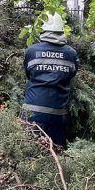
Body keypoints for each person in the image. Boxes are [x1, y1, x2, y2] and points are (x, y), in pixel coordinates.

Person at [20, 13, 78, 149]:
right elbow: (72, 75)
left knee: (28, 152)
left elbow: (28, 74)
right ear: (62, 31)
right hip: (59, 115)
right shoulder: (71, 54)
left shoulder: (32, 51)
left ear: (43, 30)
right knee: (55, 152)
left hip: (32, 113)